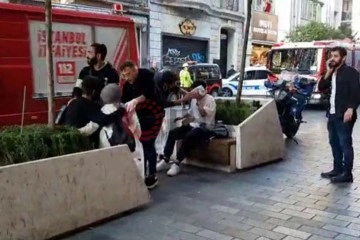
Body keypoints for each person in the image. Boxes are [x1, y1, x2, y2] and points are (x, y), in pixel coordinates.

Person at [120, 61, 181, 189]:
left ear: (135, 69)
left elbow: (150, 93)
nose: (127, 77)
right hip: (139, 117)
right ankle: (146, 171)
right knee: (141, 145)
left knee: (149, 144)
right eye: (124, 75)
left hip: (153, 114)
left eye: (128, 73)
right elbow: (124, 101)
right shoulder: (127, 85)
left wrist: (136, 100)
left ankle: (151, 174)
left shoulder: (147, 76)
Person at [157, 80, 216, 176]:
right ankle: (166, 158)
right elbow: (191, 112)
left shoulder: (210, 100)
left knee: (189, 136)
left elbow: (203, 113)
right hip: (194, 125)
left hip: (206, 128)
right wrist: (182, 117)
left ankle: (177, 162)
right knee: (173, 133)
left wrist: (198, 101)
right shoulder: (193, 100)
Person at [319, 46, 360, 183]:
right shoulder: (333, 72)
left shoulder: (350, 72)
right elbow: (321, 87)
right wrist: (328, 71)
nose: (333, 59)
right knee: (334, 142)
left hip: (344, 114)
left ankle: (347, 174)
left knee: (345, 143)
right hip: (332, 113)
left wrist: (351, 108)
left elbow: (356, 92)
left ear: (343, 58)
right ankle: (337, 169)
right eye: (332, 56)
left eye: (336, 56)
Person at [64, 76, 123, 148]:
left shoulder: (73, 102)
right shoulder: (89, 105)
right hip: (82, 144)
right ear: (94, 92)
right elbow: (104, 120)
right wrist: (119, 112)